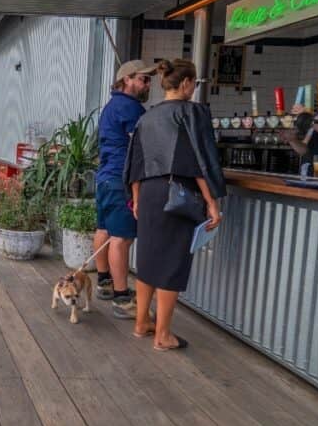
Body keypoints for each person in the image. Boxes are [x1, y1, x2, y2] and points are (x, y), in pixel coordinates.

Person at [124, 58, 225, 351]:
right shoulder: (192, 112)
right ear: (185, 83)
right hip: (179, 193)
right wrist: (211, 202)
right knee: (172, 263)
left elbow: (135, 161)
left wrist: (137, 198)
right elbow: (198, 161)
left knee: (148, 259)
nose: (193, 88)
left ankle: (142, 323)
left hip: (149, 193)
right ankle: (163, 335)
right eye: (193, 83)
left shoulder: (148, 116)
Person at [93, 59, 157, 318]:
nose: (147, 84)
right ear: (127, 79)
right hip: (121, 179)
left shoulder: (111, 106)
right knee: (122, 238)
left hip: (106, 177)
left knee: (105, 229)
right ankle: (121, 300)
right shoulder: (131, 109)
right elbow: (142, 148)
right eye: (143, 79)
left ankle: (104, 282)